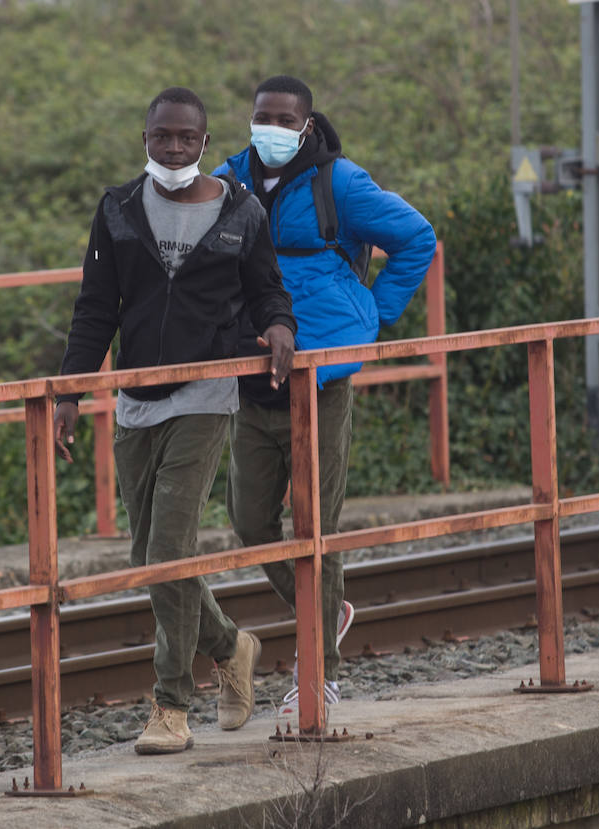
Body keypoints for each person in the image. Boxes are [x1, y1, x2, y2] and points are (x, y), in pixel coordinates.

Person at [53, 86, 297, 755]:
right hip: (137, 395)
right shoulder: (119, 210)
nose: (174, 148)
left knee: (167, 554)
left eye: (187, 138)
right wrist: (70, 393)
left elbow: (266, 288)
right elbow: (95, 306)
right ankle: (231, 645)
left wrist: (279, 325)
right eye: (163, 137)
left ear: (205, 144)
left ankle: (171, 704)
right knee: (149, 556)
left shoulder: (241, 211)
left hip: (206, 393)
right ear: (145, 140)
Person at [215, 75, 436, 720]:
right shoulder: (230, 180)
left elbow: (415, 237)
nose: (272, 128)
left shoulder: (339, 183)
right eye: (263, 116)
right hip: (254, 373)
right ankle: (329, 609)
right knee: (251, 523)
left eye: (285, 118)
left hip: (321, 378)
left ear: (306, 125)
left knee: (317, 528)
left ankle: (318, 677)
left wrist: (374, 311)